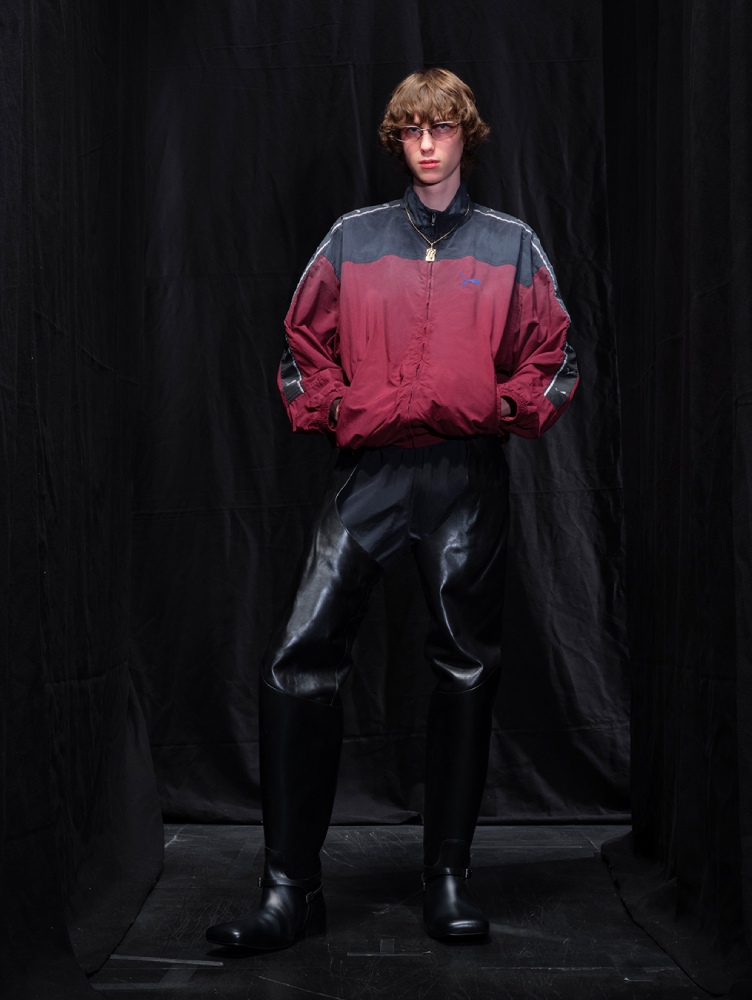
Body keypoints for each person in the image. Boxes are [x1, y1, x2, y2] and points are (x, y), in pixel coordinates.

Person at [206, 67, 578, 952]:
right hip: (370, 475)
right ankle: (290, 892)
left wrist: (497, 406)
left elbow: (555, 359)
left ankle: (446, 879)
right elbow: (300, 345)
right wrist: (340, 409)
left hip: (464, 478)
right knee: (297, 661)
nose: (426, 142)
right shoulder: (353, 238)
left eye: (441, 127)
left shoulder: (511, 244)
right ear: (397, 138)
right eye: (411, 127)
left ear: (465, 136)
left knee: (466, 670)